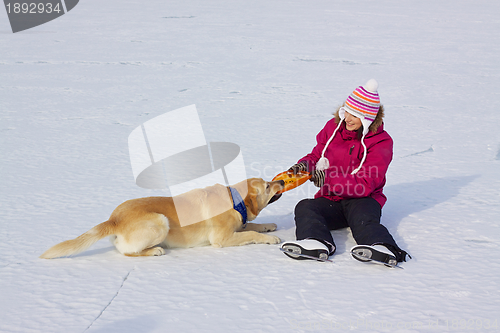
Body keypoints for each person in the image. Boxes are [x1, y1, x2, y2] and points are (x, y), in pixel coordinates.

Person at [281, 79, 410, 267]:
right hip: (332, 199)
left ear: (368, 119)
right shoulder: (332, 128)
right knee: (306, 207)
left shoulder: (381, 142)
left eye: (355, 115)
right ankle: (316, 242)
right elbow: (318, 154)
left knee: (363, 218)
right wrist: (304, 165)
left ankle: (383, 247)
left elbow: (366, 183)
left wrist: (327, 179)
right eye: (347, 111)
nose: (348, 118)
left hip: (363, 199)